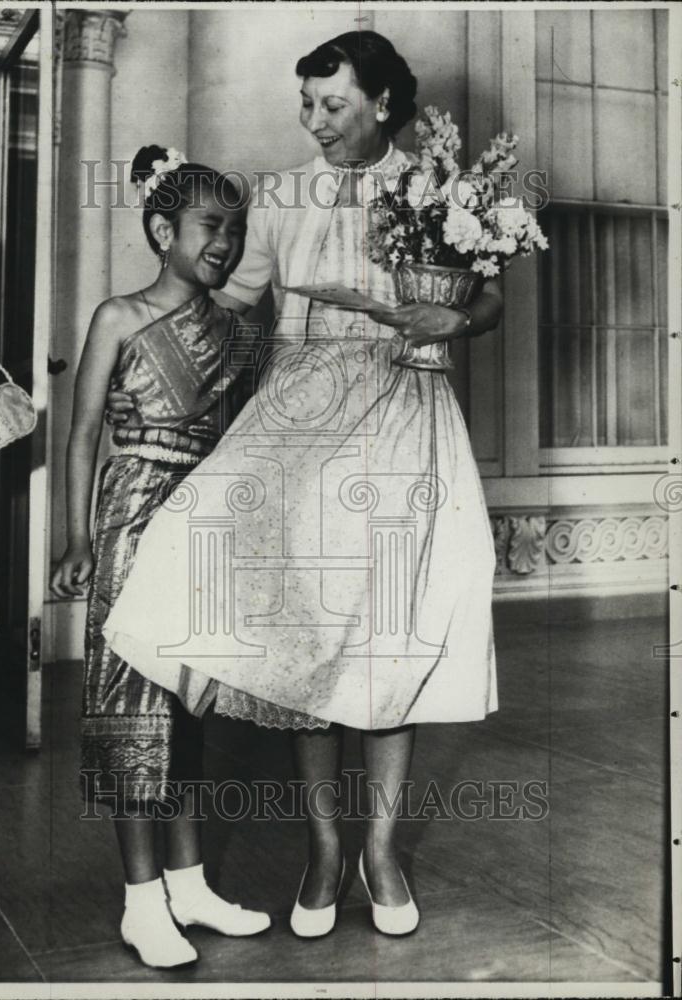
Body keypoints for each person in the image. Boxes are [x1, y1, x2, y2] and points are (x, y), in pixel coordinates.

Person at [103, 31, 503, 940]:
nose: (315, 122)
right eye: (308, 106)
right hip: (300, 423)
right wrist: (136, 334)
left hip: (408, 415)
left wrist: (459, 315)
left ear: (383, 106)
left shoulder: (437, 187)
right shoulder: (278, 196)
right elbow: (232, 307)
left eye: (333, 105)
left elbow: (487, 300)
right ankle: (325, 849)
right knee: (308, 633)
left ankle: (383, 852)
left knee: (388, 639)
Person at [49, 146, 270, 970]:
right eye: (211, 224)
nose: (226, 240)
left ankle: (189, 884)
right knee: (130, 706)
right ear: (160, 229)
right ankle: (142, 903)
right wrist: (76, 538)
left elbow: (246, 444)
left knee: (187, 706)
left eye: (236, 228)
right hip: (131, 515)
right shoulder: (117, 316)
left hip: (200, 522)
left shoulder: (239, 333)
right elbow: (80, 437)